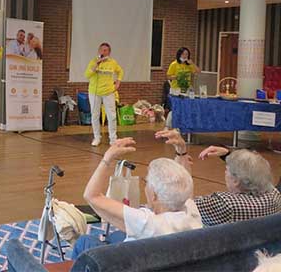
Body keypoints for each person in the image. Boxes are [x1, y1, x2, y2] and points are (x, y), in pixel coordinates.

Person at [73, 138, 202, 259]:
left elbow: (91, 196)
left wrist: (107, 159)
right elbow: (185, 184)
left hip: (130, 264)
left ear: (155, 195)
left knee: (84, 241)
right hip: (166, 259)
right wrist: (181, 152)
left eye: (145, 182)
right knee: (117, 236)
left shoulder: (146, 222)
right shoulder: (191, 212)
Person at [155, 129, 281, 226]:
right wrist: (228, 154)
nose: (225, 172)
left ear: (236, 181)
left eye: (227, 170)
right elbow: (254, 168)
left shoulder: (224, 203)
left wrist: (181, 152)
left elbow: (183, 204)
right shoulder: (274, 195)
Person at [84, 43, 123, 146]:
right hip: (94, 92)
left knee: (112, 116)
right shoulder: (93, 61)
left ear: (109, 52)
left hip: (108, 92)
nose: (103, 52)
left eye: (105, 50)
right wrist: (96, 64)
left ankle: (113, 139)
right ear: (98, 51)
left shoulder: (112, 62)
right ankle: (97, 138)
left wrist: (118, 82)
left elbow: (120, 71)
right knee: (95, 115)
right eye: (101, 50)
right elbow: (87, 75)